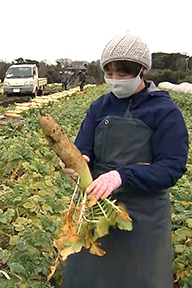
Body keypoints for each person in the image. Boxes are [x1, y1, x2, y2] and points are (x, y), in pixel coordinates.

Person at [59, 33, 188, 288]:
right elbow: (84, 146)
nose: (115, 80)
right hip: (97, 212)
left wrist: (121, 175)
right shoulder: (100, 107)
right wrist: (78, 162)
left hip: (143, 219)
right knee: (87, 277)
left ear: (142, 70)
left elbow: (171, 167)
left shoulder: (164, 111)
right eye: (110, 72)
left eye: (123, 73)